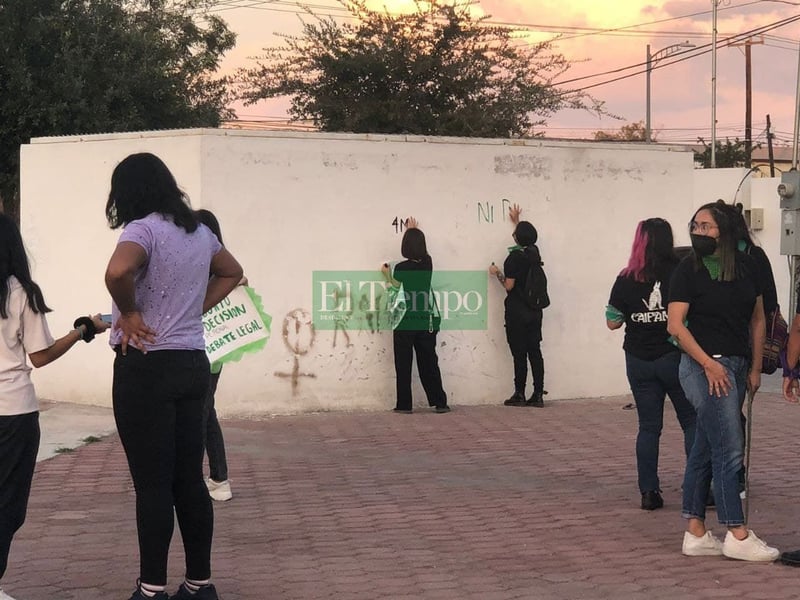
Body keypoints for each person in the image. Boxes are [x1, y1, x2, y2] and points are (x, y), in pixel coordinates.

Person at [104, 153, 243, 600]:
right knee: (188, 478)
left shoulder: (142, 229)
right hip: (191, 364)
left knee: (152, 484)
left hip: (146, 367)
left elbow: (118, 270)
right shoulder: (199, 232)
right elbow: (232, 272)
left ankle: (151, 589)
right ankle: (200, 584)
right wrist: (193, 309)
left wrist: (130, 311)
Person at [0, 214, 109, 600]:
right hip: (13, 412)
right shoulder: (20, 293)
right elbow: (41, 356)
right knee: (8, 506)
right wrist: (83, 331)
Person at [667, 201, 778, 562]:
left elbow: (758, 319)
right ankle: (736, 532)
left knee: (704, 447)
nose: (698, 232)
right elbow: (675, 325)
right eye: (695, 225)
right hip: (703, 366)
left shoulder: (748, 267)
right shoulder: (687, 269)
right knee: (730, 448)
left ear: (725, 231)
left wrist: (756, 367)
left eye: (706, 226)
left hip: (736, 364)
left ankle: (696, 532)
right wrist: (708, 365)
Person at [606, 218, 696, 511]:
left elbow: (612, 322)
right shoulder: (681, 272)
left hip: (638, 359)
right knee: (691, 422)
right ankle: (696, 487)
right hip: (674, 357)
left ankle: (649, 492)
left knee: (648, 427)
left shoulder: (625, 277)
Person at [381, 217, 449, 414]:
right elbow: (423, 254)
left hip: (404, 321)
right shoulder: (428, 263)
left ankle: (404, 405)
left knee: (403, 364)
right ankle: (440, 402)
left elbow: (395, 287)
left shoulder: (401, 268)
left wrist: (386, 273)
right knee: (429, 362)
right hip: (425, 319)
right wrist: (414, 231)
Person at [195, 209, 239, 503]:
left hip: (200, 351)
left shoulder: (200, 267)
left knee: (203, 415)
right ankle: (214, 477)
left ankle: (219, 477)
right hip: (216, 354)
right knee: (204, 412)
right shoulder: (224, 270)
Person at [488, 204, 545, 407]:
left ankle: (519, 393)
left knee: (519, 353)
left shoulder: (513, 258)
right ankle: (538, 394)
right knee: (535, 351)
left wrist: (497, 274)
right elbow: (526, 238)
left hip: (517, 312)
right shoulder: (534, 253)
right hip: (535, 311)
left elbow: (509, 286)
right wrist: (518, 221)